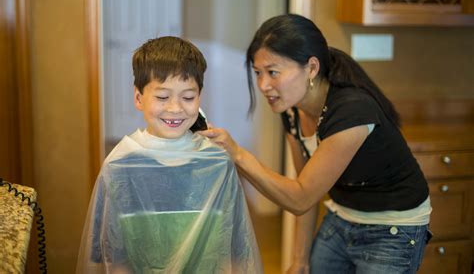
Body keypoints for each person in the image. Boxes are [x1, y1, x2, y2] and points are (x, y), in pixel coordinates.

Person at [199, 14, 432, 274]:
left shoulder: (352, 112)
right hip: (343, 215)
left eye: (273, 72)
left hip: (393, 227)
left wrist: (238, 154)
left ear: (311, 68)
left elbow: (299, 197)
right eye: (258, 73)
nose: (264, 85)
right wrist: (300, 260)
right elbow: (305, 188)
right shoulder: (292, 111)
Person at [76, 36, 263, 274]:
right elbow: (112, 253)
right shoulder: (120, 167)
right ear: (138, 98)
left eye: (188, 97)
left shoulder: (215, 163)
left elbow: (235, 249)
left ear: (199, 99)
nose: (175, 108)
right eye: (162, 97)